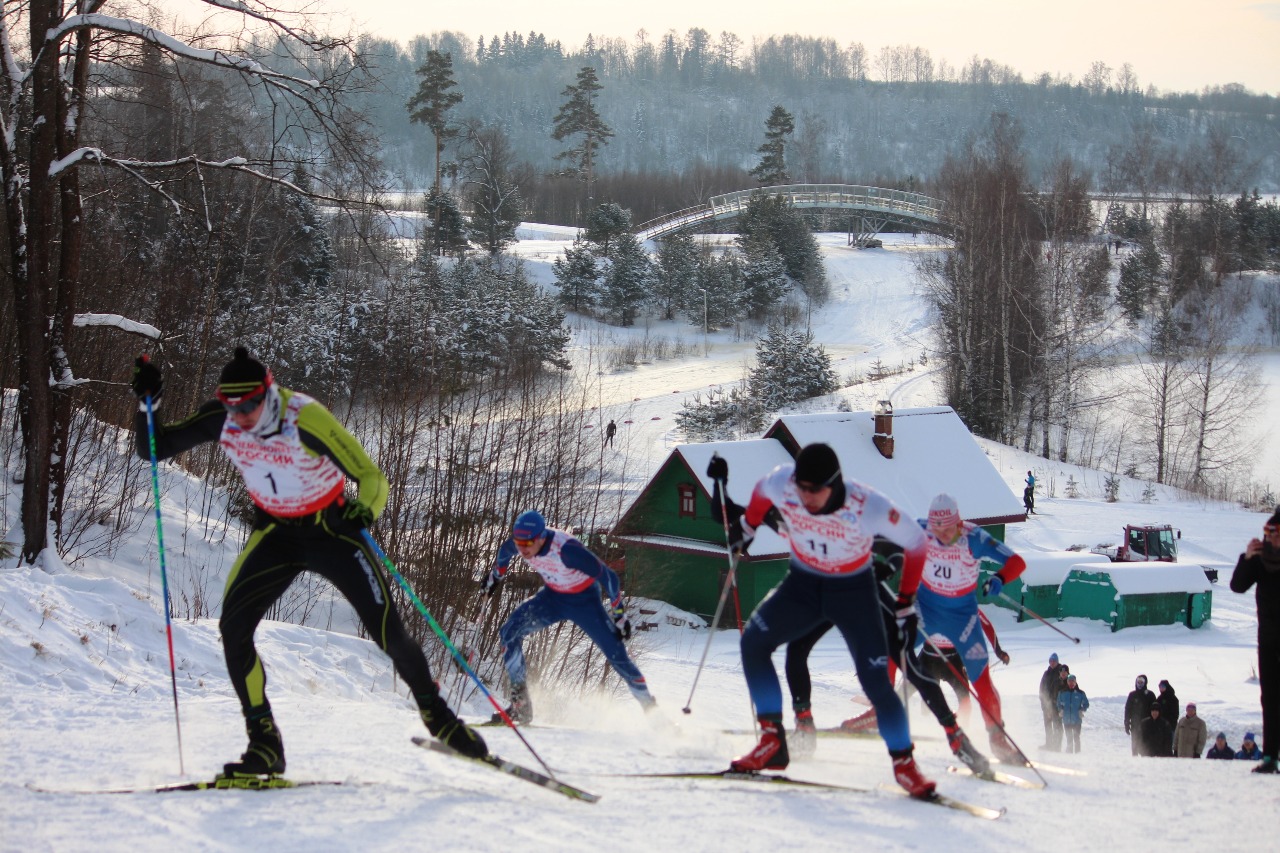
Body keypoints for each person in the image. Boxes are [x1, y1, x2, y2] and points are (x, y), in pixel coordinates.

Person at [129, 348, 487, 778]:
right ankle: (264, 743)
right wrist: (148, 402)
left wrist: (367, 509)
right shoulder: (222, 418)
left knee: (388, 631)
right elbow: (155, 448)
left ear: (269, 392)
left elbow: (371, 476)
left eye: (248, 405)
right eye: (231, 406)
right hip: (276, 534)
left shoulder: (304, 418)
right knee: (233, 628)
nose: (240, 415)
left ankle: (438, 715)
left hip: (332, 531)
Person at [707, 443, 937, 798]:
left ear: (835, 485)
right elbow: (760, 491)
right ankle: (772, 742)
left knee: (875, 680)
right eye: (802, 488)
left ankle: (905, 766)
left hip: (853, 591)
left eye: (815, 490)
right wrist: (748, 525)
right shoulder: (783, 483)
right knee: (754, 642)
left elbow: (917, 543)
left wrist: (905, 603)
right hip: (803, 583)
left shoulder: (868, 505)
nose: (806, 497)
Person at [782, 538, 993, 774]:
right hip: (921, 646)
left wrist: (892, 571)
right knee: (798, 650)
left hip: (945, 652)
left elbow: (894, 546)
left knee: (936, 682)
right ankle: (814, 725)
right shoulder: (813, 520)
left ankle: (959, 735)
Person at [481, 509, 655, 723]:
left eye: (527, 543)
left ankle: (653, 713)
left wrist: (619, 614)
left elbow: (609, 577)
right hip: (553, 598)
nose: (522, 548)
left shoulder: (567, 551)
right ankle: (521, 705)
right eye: (519, 542)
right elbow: (505, 551)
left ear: (541, 537)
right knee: (509, 632)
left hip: (585, 602)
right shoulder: (520, 544)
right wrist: (495, 577)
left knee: (617, 655)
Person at [913, 493, 1028, 764]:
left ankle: (997, 739)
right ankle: (876, 713)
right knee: (891, 648)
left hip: (961, 623)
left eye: (947, 528)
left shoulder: (973, 538)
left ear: (959, 522)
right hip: (928, 619)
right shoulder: (920, 529)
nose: (941, 535)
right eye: (936, 528)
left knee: (982, 681)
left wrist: (1000, 578)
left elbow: (1017, 563)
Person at [1229, 507, 1280, 774]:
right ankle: (1271, 758)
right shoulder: (1261, 561)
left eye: (1276, 532)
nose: (1271, 537)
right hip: (1269, 641)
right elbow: (1237, 586)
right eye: (1268, 531)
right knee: (1270, 699)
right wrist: (1247, 558)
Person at [1055, 673, 1089, 753]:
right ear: (1067, 682)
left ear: (1075, 682)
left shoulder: (1080, 693)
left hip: (1077, 720)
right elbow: (1058, 703)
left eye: (1073, 681)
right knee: (1069, 738)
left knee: (1076, 737)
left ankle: (1077, 754)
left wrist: (1082, 710)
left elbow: (1086, 703)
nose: (1071, 683)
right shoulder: (1062, 693)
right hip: (1067, 719)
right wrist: (1061, 710)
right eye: (1069, 681)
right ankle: (1069, 754)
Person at [1124, 674, 1156, 756]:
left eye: (1142, 682)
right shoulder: (1132, 695)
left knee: (1145, 747)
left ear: (1145, 683)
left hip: (1147, 726)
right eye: (1138, 682)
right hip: (1135, 725)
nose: (1140, 684)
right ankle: (1134, 764)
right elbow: (1128, 710)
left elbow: (1155, 709)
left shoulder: (1150, 695)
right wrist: (1127, 723)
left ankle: (1145, 764)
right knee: (1135, 746)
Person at [1039, 653, 1065, 748]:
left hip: (1057, 705)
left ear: (1057, 661)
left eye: (1054, 661)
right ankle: (1049, 744)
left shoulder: (1061, 672)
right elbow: (1041, 689)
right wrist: (1043, 705)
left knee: (1057, 726)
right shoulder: (1046, 673)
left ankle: (1057, 746)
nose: (1052, 663)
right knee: (1048, 726)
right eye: (1050, 661)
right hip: (1047, 704)